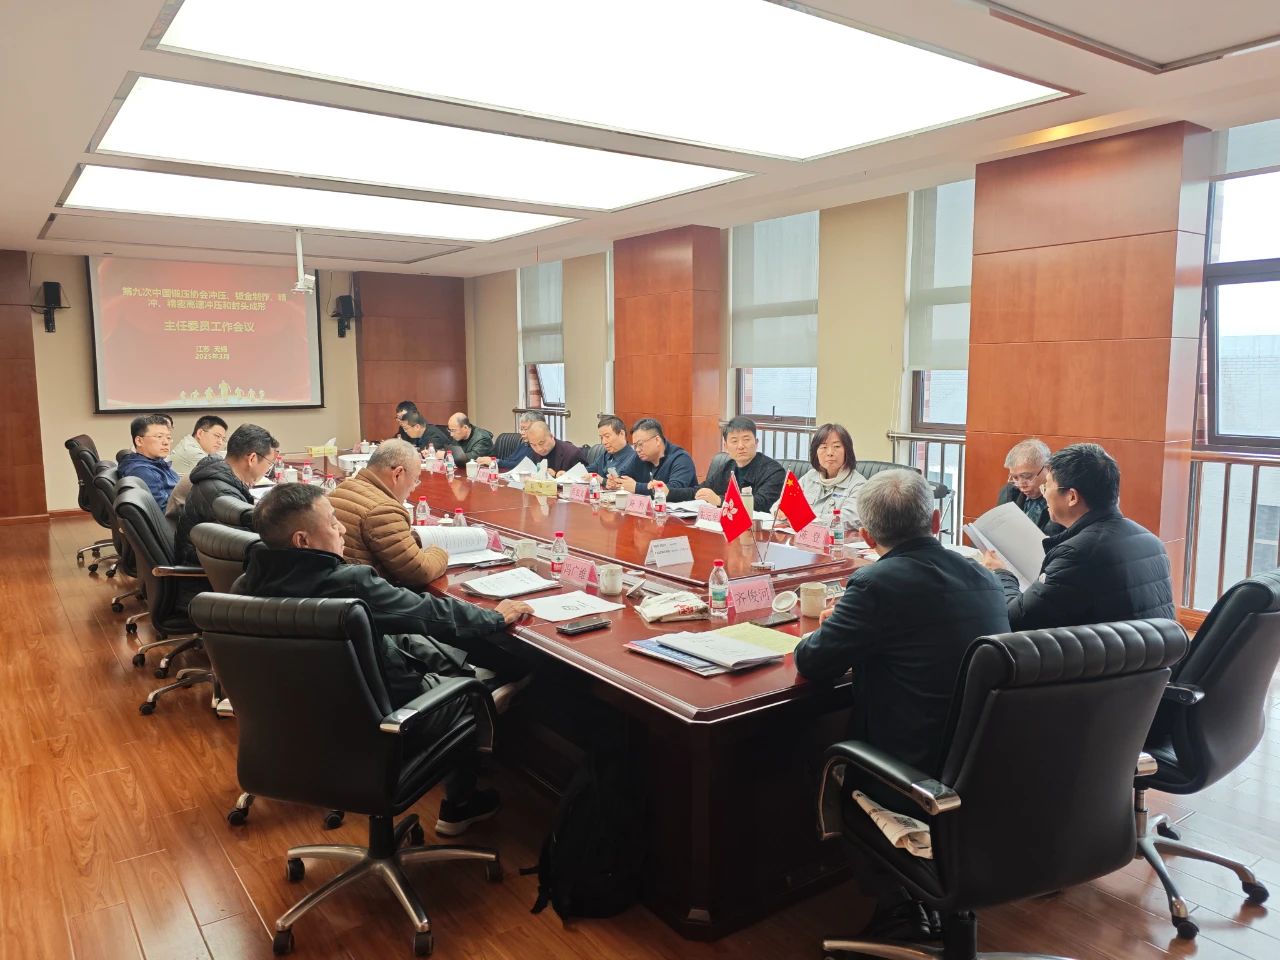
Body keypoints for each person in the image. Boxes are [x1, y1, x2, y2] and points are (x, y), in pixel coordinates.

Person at [240, 483, 533, 836]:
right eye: (332, 522)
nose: (342, 529)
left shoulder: (245, 586)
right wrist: (494, 618)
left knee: (415, 644)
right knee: (477, 692)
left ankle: (466, 681)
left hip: (298, 726)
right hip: (384, 725)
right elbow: (429, 612)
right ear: (303, 540)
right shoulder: (348, 584)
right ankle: (460, 804)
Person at [795, 469, 1010, 942]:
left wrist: (830, 627)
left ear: (867, 536)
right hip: (986, 765)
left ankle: (897, 905)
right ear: (934, 521)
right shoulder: (984, 576)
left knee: (824, 755)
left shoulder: (875, 584)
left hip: (914, 772)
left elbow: (814, 662)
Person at [982, 443, 1175, 631]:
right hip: (1154, 652)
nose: (1044, 494)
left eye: (1046, 486)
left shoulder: (1077, 554)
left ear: (1072, 497)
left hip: (1101, 653)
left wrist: (1002, 574)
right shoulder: (1152, 542)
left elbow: (1015, 619)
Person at [329, 439, 448, 589]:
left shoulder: (343, 488)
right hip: (364, 595)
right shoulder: (383, 509)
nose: (413, 488)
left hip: (339, 587)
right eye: (415, 480)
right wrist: (440, 552)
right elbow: (420, 572)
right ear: (398, 474)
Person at [173, 424, 278, 564]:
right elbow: (244, 545)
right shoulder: (223, 494)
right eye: (269, 463)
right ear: (252, 458)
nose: (267, 470)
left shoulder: (216, 476)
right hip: (205, 571)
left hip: (204, 562)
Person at [668, 416, 785, 508]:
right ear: (726, 446)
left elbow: (761, 504)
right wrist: (667, 493)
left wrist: (720, 501)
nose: (740, 446)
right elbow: (699, 491)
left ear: (756, 443)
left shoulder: (774, 471)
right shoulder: (728, 466)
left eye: (746, 440)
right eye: (734, 441)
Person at [786, 422, 866, 530]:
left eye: (836, 446)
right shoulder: (809, 477)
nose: (830, 453)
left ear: (847, 451)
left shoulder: (859, 485)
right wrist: (783, 511)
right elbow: (784, 505)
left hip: (837, 539)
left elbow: (848, 519)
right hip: (802, 536)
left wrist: (805, 517)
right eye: (823, 447)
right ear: (816, 452)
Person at [995, 438, 1063, 536]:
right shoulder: (1009, 492)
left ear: (1048, 468)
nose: (1021, 484)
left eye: (1027, 476)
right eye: (1015, 477)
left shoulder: (1063, 497)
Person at [614, 417, 698, 496]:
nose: (637, 450)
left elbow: (672, 490)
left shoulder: (681, 459)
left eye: (640, 444)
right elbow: (624, 475)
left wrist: (637, 487)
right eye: (635, 446)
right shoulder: (640, 456)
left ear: (657, 440)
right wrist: (616, 481)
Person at [118, 414, 179, 510]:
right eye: (159, 436)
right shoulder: (142, 471)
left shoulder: (156, 462)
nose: (166, 442)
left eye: (168, 437)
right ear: (139, 441)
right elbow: (165, 511)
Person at [588, 416, 645, 485]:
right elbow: (588, 471)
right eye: (601, 438)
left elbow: (620, 483)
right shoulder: (605, 455)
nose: (603, 442)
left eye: (607, 436)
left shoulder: (634, 457)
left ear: (622, 434)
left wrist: (602, 480)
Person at [478, 411, 545, 471]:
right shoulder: (525, 443)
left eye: (525, 429)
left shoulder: (539, 448)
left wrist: (495, 462)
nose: (522, 433)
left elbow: (521, 466)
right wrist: (491, 461)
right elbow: (510, 460)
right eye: (521, 429)